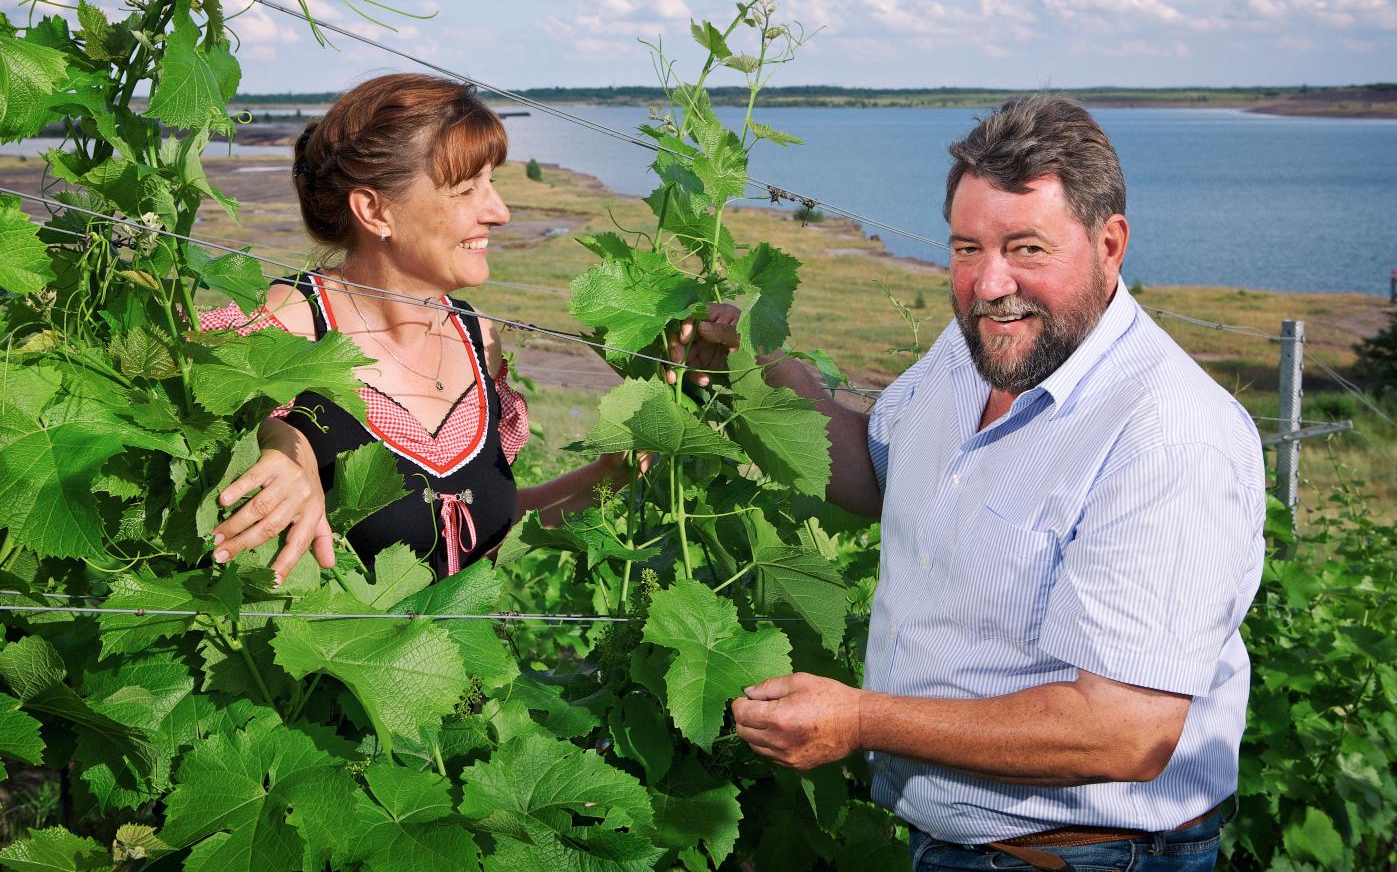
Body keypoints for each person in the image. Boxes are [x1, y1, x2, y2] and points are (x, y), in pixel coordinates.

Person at [674, 95, 1265, 870]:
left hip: (1089, 856)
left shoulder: (1166, 438)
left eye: (1025, 249)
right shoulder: (975, 350)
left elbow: (1125, 731)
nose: (988, 284)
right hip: (966, 845)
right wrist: (753, 371)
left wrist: (859, 722)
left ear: (1109, 243)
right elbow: (879, 475)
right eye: (965, 249)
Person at [199, 73, 639, 584]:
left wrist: (613, 474)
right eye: (466, 189)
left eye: (492, 183)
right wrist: (274, 436)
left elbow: (480, 537)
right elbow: (186, 416)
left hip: (457, 663)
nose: (500, 212)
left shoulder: (480, 340)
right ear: (375, 210)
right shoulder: (280, 329)